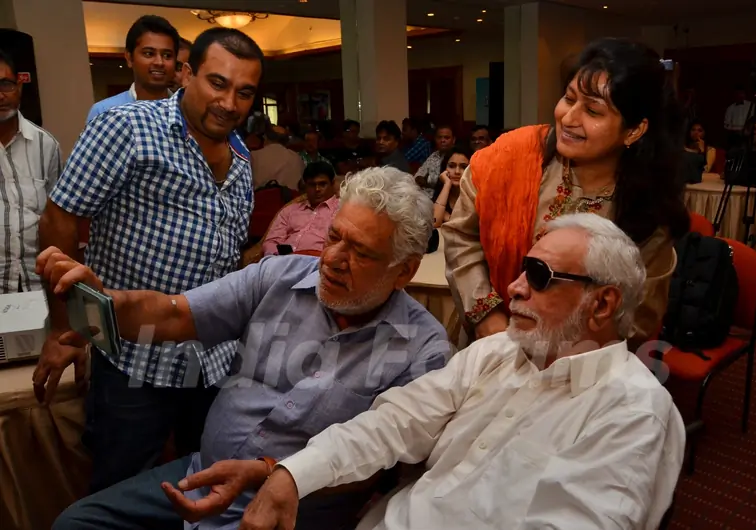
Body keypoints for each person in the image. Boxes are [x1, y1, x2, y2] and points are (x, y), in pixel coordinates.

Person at [47, 168, 450, 530]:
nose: (332, 259)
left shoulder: (423, 350)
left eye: (360, 252)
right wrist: (106, 302)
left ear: (405, 270)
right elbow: (172, 315)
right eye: (333, 236)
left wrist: (278, 474)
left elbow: (381, 464)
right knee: (77, 523)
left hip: (293, 512)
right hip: (202, 475)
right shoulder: (278, 277)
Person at [236, 214, 686, 530]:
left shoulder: (634, 411)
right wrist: (292, 474)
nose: (513, 288)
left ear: (602, 304)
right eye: (521, 270)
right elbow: (393, 422)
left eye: (539, 275)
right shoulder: (496, 352)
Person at [35, 28, 264, 493]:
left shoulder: (241, 160)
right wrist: (68, 328)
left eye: (244, 92)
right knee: (118, 494)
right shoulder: (127, 128)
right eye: (217, 83)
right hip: (132, 360)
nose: (229, 103)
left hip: (212, 363)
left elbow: (227, 264)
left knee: (201, 486)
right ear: (186, 73)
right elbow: (58, 221)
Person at [442, 38, 689, 350]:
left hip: (575, 363)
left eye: (593, 110)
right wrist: (487, 319)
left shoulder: (648, 209)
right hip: (486, 342)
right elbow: (462, 237)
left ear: (634, 130)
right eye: (568, 98)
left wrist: (549, 347)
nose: (569, 118)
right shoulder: (511, 157)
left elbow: (638, 316)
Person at [0, 49, 61, 293]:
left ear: (20, 86)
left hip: (38, 288)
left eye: (5, 84)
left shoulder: (46, 145)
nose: (0, 95)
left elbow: (57, 220)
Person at [86, 15, 179, 123]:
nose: (159, 62)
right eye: (149, 53)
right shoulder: (105, 112)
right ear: (129, 58)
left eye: (167, 55)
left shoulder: (185, 112)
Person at [261, 162, 338, 256]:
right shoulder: (290, 210)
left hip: (317, 263)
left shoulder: (341, 209)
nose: (317, 189)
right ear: (305, 185)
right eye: (312, 185)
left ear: (332, 184)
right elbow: (271, 241)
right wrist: (275, 257)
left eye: (322, 184)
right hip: (281, 262)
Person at [251, 124, 305, 190]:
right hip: (290, 198)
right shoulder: (297, 158)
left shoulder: (254, 156)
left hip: (261, 199)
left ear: (266, 138)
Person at [433, 146, 472, 229]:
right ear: (444, 169)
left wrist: (449, 219)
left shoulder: (475, 194)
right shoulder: (441, 192)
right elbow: (435, 223)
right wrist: (447, 184)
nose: (457, 171)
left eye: (463, 167)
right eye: (452, 166)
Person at [415, 125, 456, 198]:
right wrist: (421, 179)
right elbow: (418, 176)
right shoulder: (434, 155)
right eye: (439, 137)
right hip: (424, 196)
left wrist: (427, 183)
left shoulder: (456, 157)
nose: (442, 140)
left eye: (446, 138)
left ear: (453, 140)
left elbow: (444, 184)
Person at [723, 85, 753, 150]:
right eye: (738, 94)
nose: (740, 96)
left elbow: (753, 120)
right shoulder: (730, 108)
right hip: (735, 137)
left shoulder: (751, 105)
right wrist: (736, 130)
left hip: (747, 138)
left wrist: (749, 129)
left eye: (741, 94)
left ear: (745, 94)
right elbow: (726, 124)